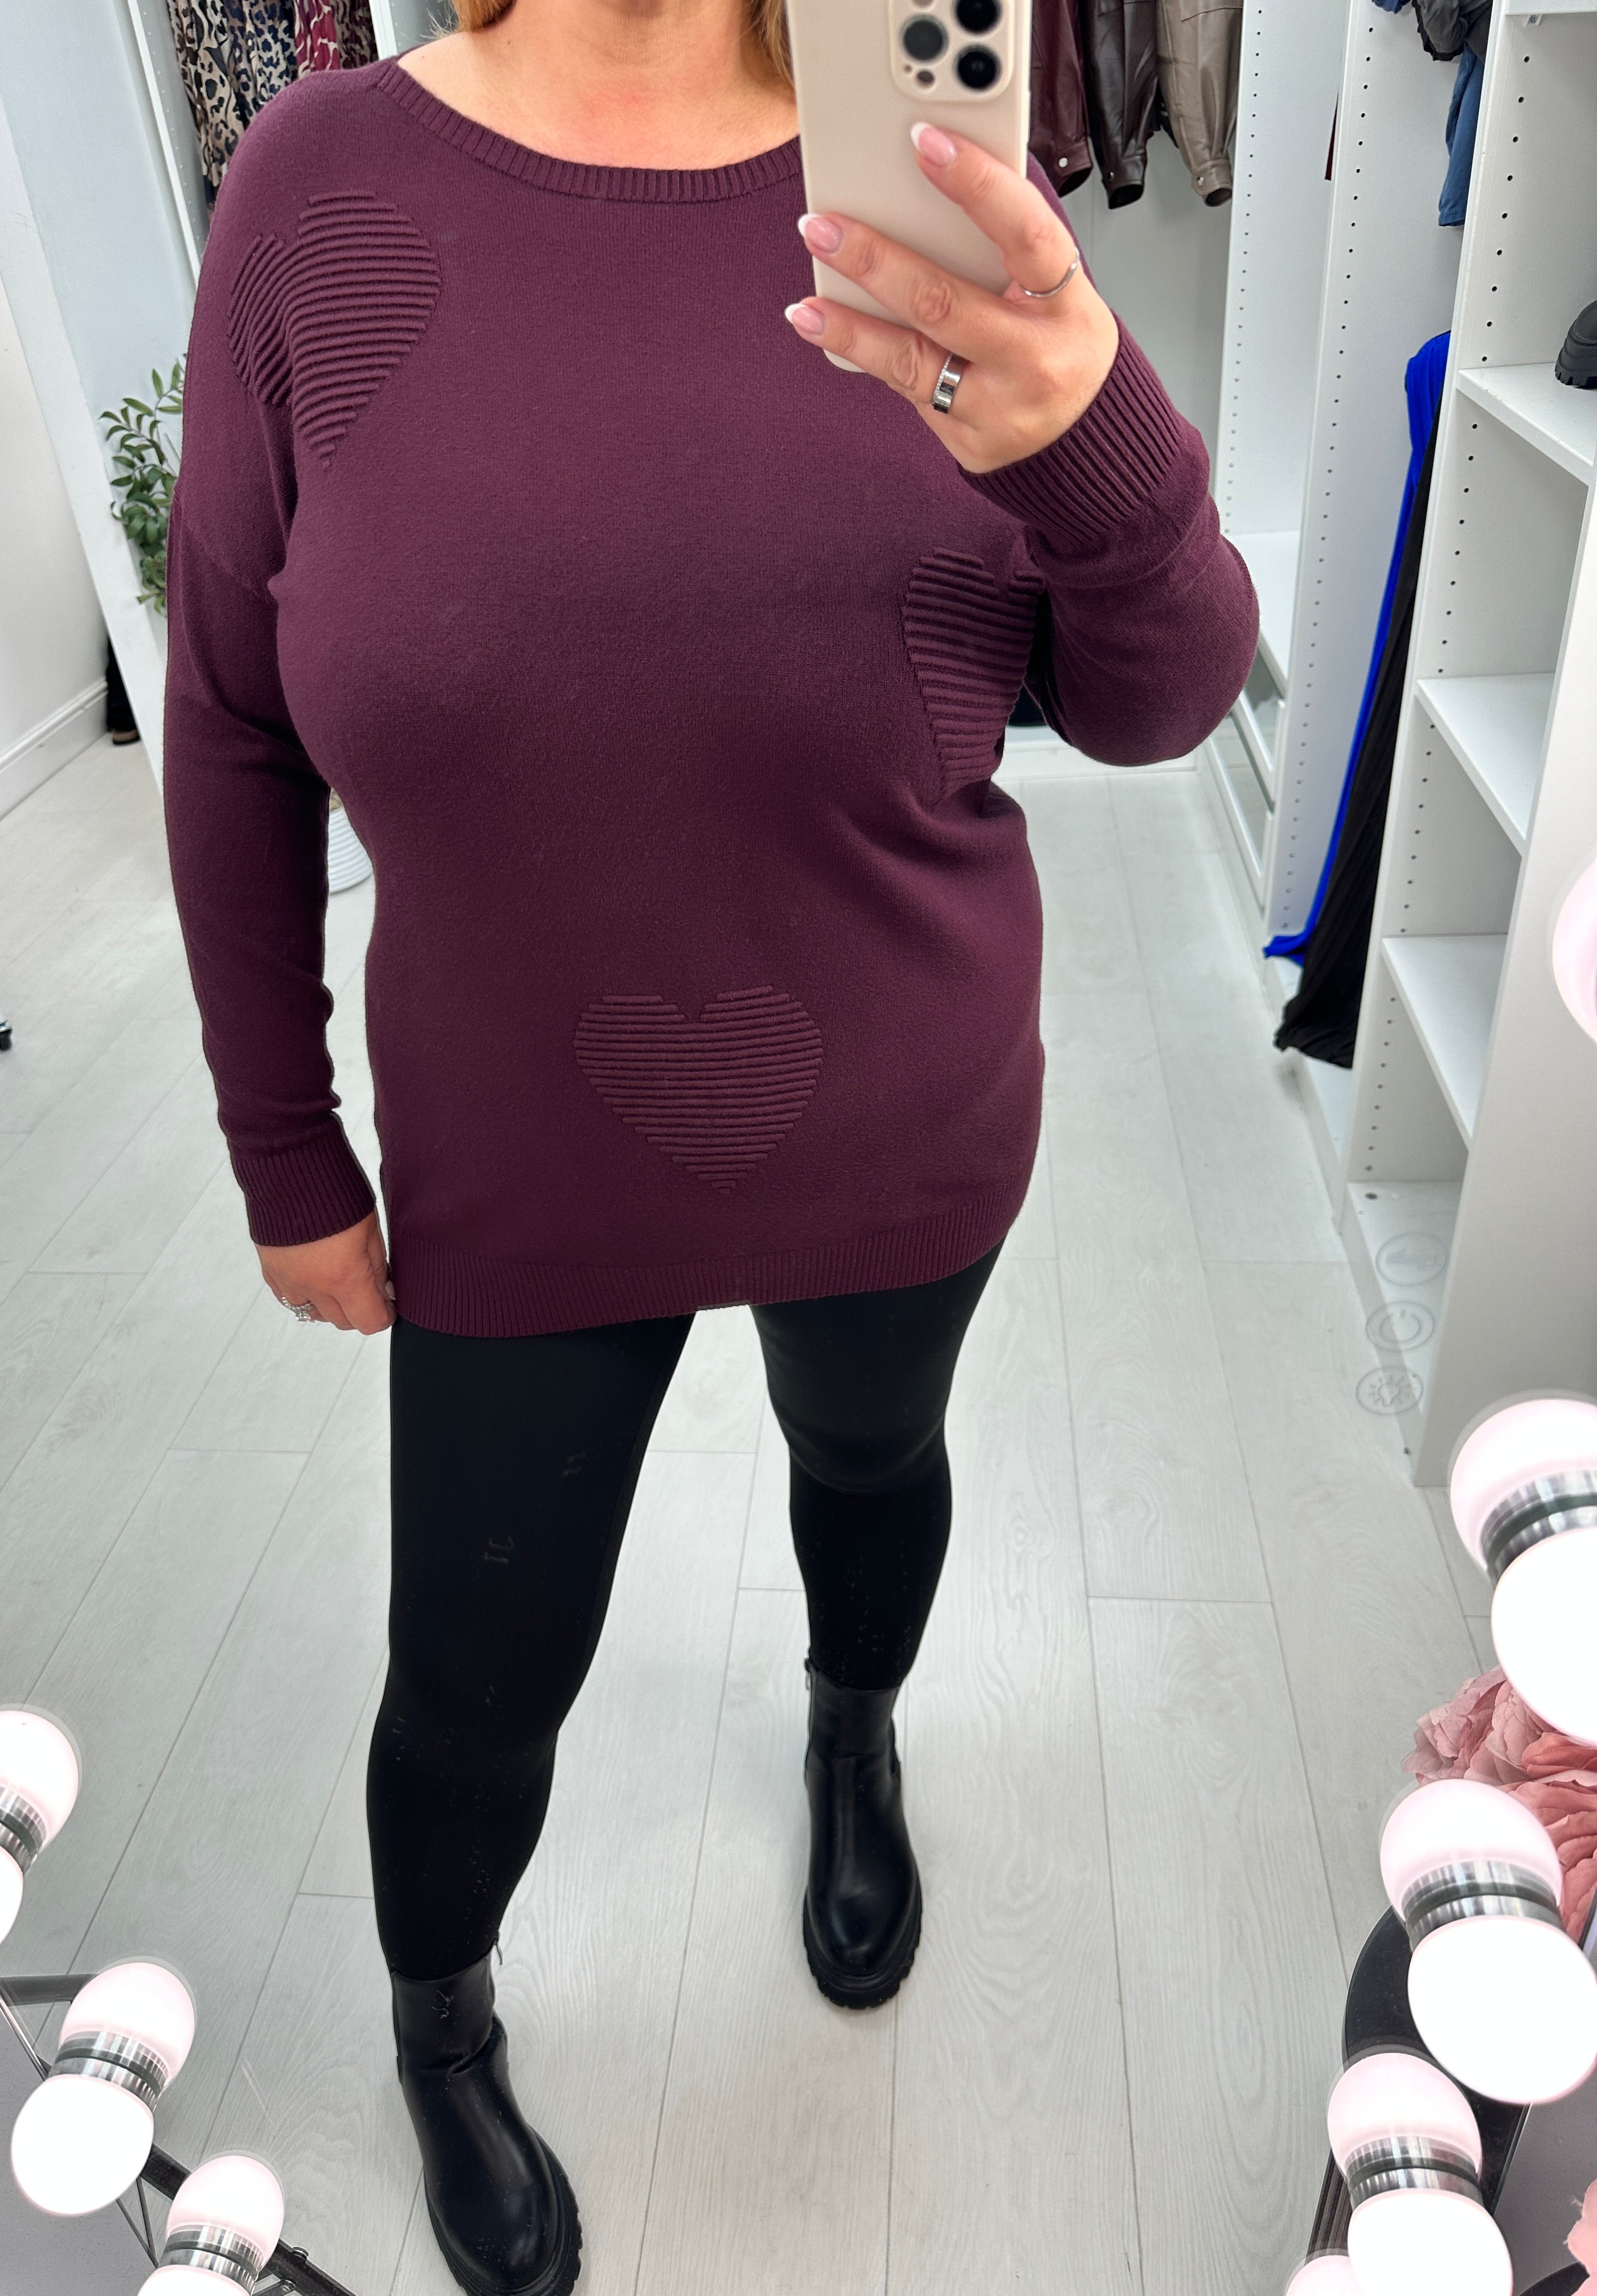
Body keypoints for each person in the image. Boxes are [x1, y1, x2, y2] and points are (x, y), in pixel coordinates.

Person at [161, 0, 1258, 2282]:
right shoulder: (321, 192)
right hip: (515, 1157)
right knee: (477, 1666)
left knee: (871, 1465)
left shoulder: (923, 169)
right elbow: (233, 718)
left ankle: (853, 1735)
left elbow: (1157, 706)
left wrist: (1095, 440)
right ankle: (442, 2022)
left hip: (898, 1116)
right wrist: (285, 1145)